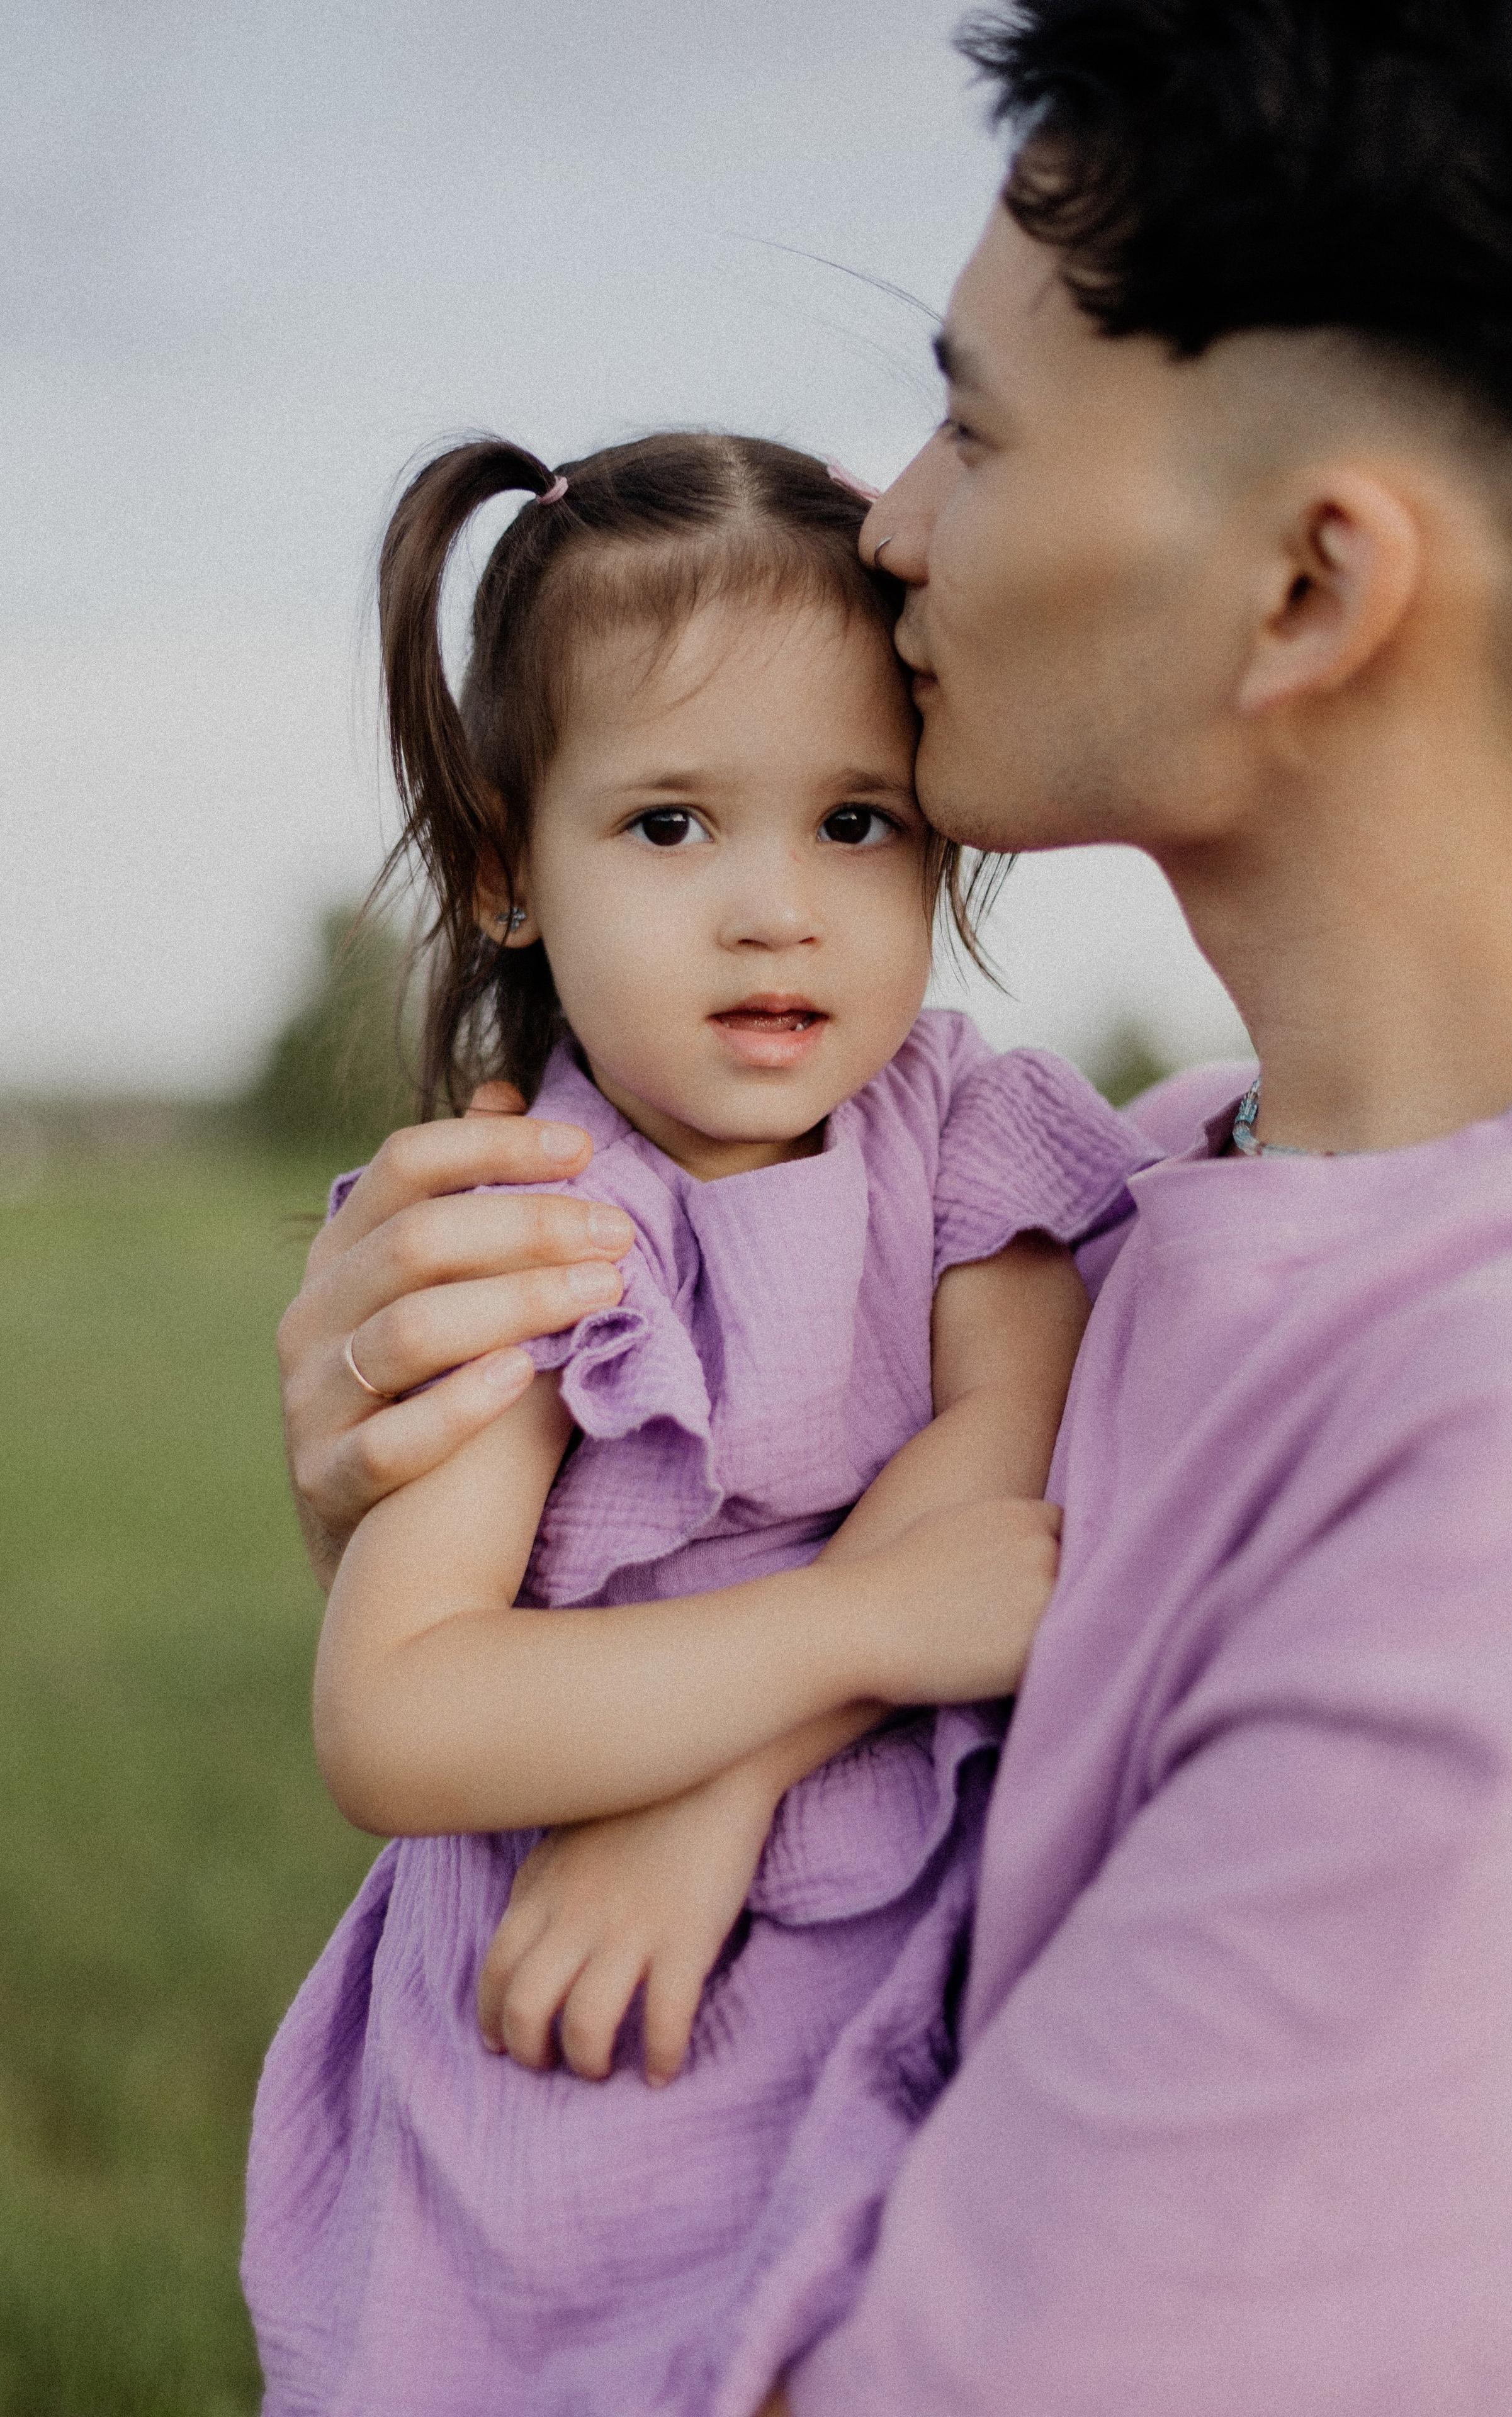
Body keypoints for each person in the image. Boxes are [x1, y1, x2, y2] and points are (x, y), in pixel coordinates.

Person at [274, 1, 1512, 2408]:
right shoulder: (1190, 1164)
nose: (886, 520)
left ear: (1308, 589)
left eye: (974, 426)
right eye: (670, 822)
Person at [244, 429, 1149, 2414]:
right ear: (506, 868)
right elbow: (397, 1712)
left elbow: (993, 1501)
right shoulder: (525, 1230)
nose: (776, 911)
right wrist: (849, 1633)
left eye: (858, 823)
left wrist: (715, 1789)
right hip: (571, 2049)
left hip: (899, 1977)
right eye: (669, 827)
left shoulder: (967, 1146)